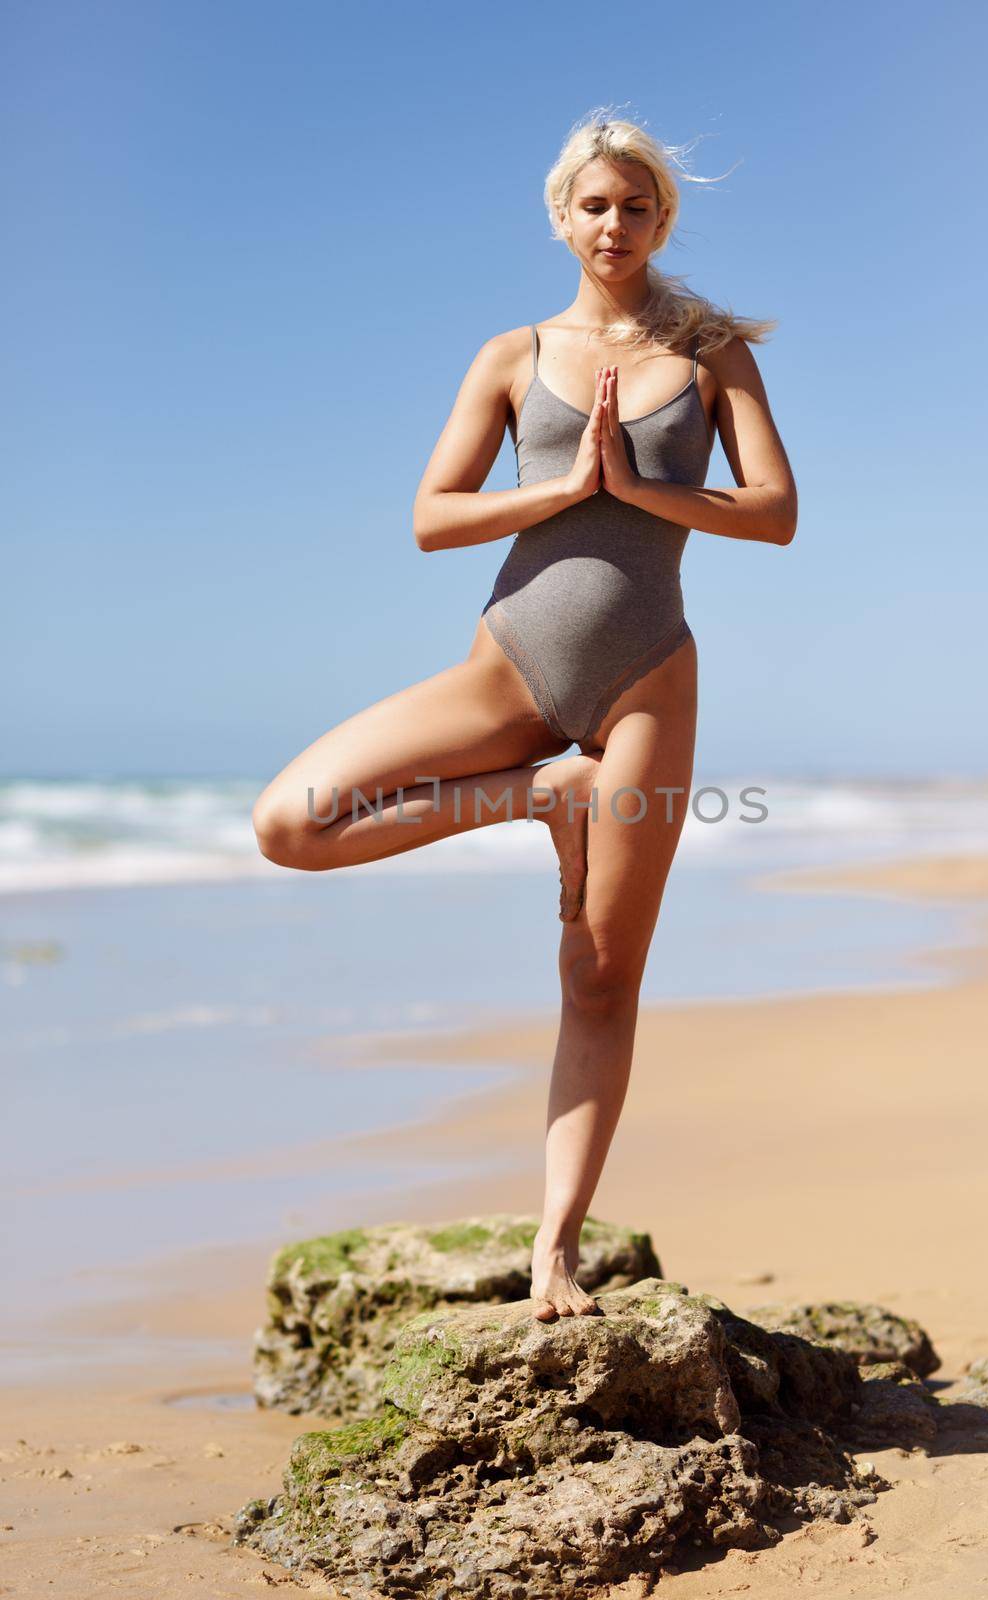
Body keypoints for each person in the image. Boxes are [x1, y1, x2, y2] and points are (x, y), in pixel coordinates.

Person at [252, 111, 797, 1323]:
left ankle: (557, 1253)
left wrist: (645, 488)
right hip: (509, 666)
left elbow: (775, 513)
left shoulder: (713, 355)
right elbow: (432, 516)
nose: (615, 224)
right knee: (289, 823)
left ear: (663, 217)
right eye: (594, 206)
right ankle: (538, 795)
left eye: (637, 205)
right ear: (563, 217)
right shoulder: (511, 354)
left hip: (648, 678)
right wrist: (560, 489)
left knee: (599, 977)